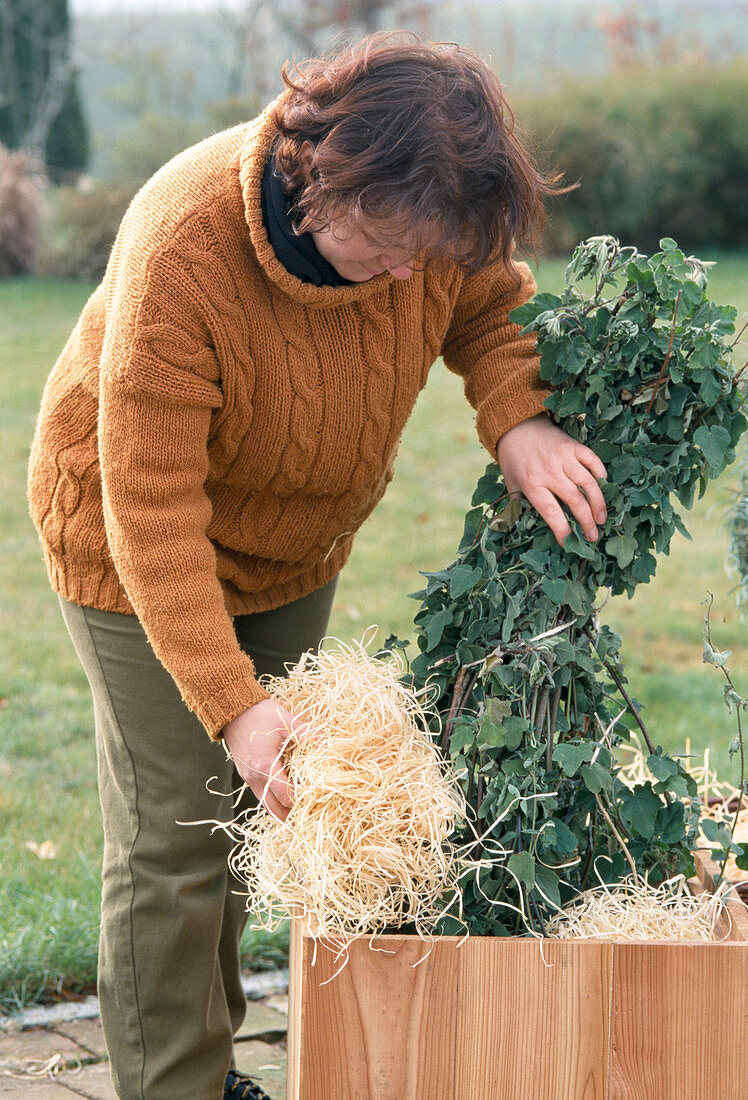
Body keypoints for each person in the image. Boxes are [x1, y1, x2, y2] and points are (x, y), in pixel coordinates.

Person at [27, 32, 607, 1100]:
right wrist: (229, 700)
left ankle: (208, 1061)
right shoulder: (183, 246)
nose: (407, 275)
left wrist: (515, 415)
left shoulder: (424, 226)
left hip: (293, 551)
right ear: (323, 175)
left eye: (429, 252)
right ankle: (175, 1087)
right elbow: (149, 509)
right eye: (389, 244)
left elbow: (486, 305)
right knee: (174, 836)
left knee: (255, 814)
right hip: (128, 544)